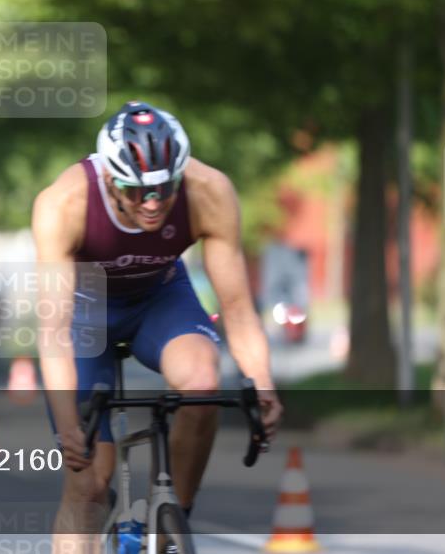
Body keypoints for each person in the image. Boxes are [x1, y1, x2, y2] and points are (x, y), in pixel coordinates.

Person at [31, 101, 283, 548]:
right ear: (109, 177)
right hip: (85, 314)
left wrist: (261, 381)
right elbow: (53, 330)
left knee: (203, 383)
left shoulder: (209, 191)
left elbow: (239, 311)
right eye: (135, 191)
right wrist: (70, 424)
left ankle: (168, 525)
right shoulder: (63, 204)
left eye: (165, 189)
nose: (152, 203)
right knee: (88, 484)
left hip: (159, 300)